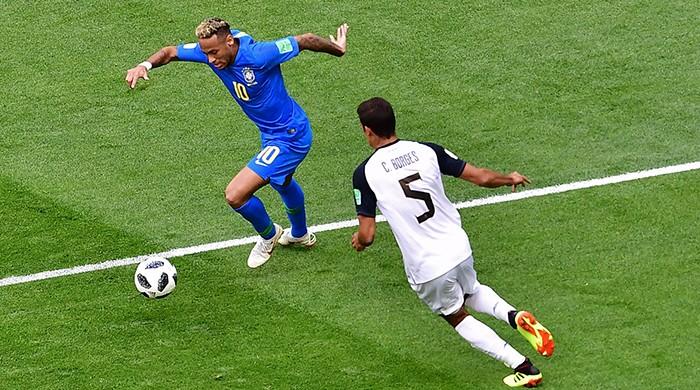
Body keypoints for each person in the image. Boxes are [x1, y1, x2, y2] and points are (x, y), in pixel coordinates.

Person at [350, 97, 554, 387]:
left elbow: (368, 234)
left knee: (455, 315)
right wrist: (508, 177)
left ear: (368, 130)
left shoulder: (364, 173)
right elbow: (481, 177)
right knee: (471, 291)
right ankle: (513, 315)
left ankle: (524, 367)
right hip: (458, 247)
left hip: (427, 265)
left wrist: (358, 241)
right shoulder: (427, 150)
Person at [125, 18, 349, 268]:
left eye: (213, 52)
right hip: (272, 134)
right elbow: (170, 52)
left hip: (290, 136)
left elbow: (305, 39)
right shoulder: (212, 50)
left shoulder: (259, 55)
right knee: (282, 181)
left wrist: (338, 50)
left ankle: (269, 234)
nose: (210, 59)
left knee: (235, 194)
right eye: (206, 53)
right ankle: (300, 234)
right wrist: (144, 65)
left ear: (229, 41)